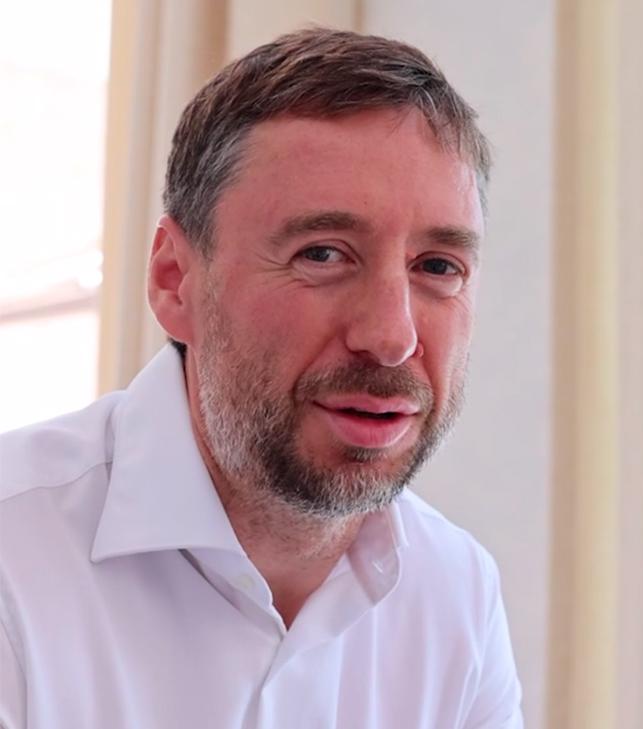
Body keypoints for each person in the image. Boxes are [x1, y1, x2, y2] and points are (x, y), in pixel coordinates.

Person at [0, 28, 522, 729]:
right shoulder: (14, 554)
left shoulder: (456, 593)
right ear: (174, 280)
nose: (391, 336)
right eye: (323, 254)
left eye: (437, 267)